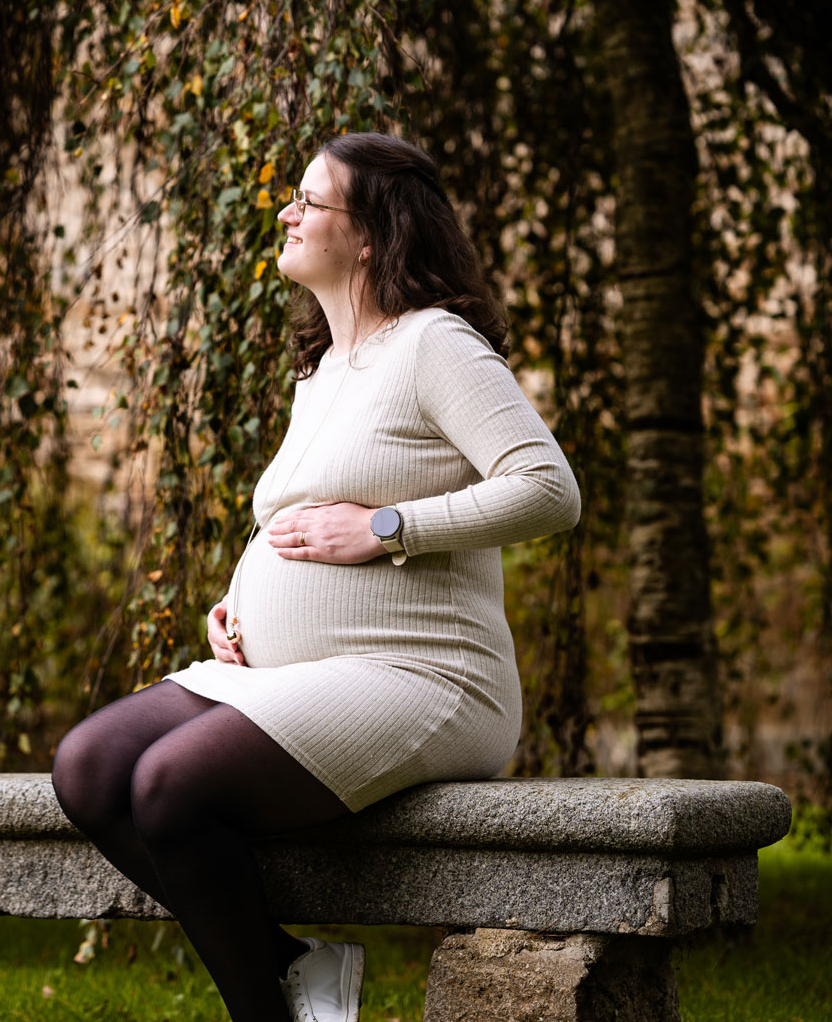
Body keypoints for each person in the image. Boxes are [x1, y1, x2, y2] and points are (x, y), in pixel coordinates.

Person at [49, 131, 582, 1022]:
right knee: (88, 767)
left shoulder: (435, 343)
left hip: (426, 674)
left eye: (309, 200)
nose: (287, 214)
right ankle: (297, 968)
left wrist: (387, 527)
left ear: (370, 233)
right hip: (290, 674)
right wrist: (239, 600)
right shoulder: (324, 368)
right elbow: (292, 514)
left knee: (169, 784)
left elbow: (548, 489)